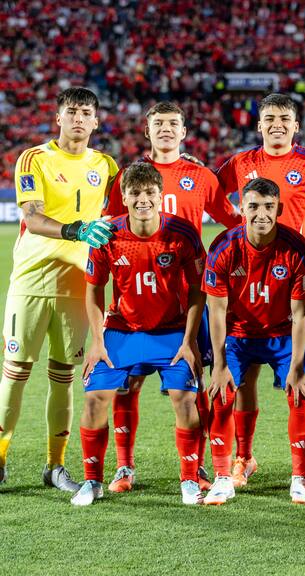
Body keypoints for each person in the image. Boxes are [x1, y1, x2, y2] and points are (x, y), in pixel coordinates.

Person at [102, 101, 241, 494]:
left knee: (194, 383)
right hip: (136, 303)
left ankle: (197, 466)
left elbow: (234, 223)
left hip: (189, 303)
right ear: (147, 130)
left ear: (184, 131)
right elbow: (109, 228)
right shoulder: (129, 177)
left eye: (173, 123)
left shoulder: (201, 176)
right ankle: (124, 467)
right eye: (158, 123)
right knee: (127, 385)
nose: (165, 129)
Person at [217, 93, 305, 490]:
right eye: (270, 118)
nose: (277, 124)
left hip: (299, 284)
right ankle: (244, 457)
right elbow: (211, 194)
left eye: (284, 119)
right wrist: (235, 227)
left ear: (295, 126)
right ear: (259, 124)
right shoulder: (240, 163)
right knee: (245, 377)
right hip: (248, 282)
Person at [0, 87, 118, 491]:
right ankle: (0, 458)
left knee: (63, 376)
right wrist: (76, 230)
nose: (78, 118)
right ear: (59, 118)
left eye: (86, 112)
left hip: (76, 285)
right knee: (15, 373)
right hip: (31, 280)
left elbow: (134, 197)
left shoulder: (106, 165)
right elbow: (32, 218)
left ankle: (54, 466)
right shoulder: (34, 158)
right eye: (72, 111)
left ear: (96, 121)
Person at [71, 162, 206, 506]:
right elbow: (93, 289)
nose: (143, 199)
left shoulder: (183, 233)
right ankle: (93, 481)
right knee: (94, 399)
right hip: (122, 330)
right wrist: (96, 342)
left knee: (184, 398)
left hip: (171, 331)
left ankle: (189, 480)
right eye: (135, 193)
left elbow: (197, 290)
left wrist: (190, 341)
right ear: (124, 197)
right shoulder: (107, 235)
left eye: (149, 193)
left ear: (161, 196)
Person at [203, 177, 305, 505]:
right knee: (222, 393)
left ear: (279, 209)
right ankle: (223, 477)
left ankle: (299, 478)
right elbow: (216, 311)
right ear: (242, 209)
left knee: (300, 393)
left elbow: (301, 314)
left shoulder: (296, 248)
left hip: (282, 333)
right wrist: (219, 365)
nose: (261, 214)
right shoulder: (224, 247)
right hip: (238, 334)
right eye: (253, 206)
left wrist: (298, 367)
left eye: (269, 207)